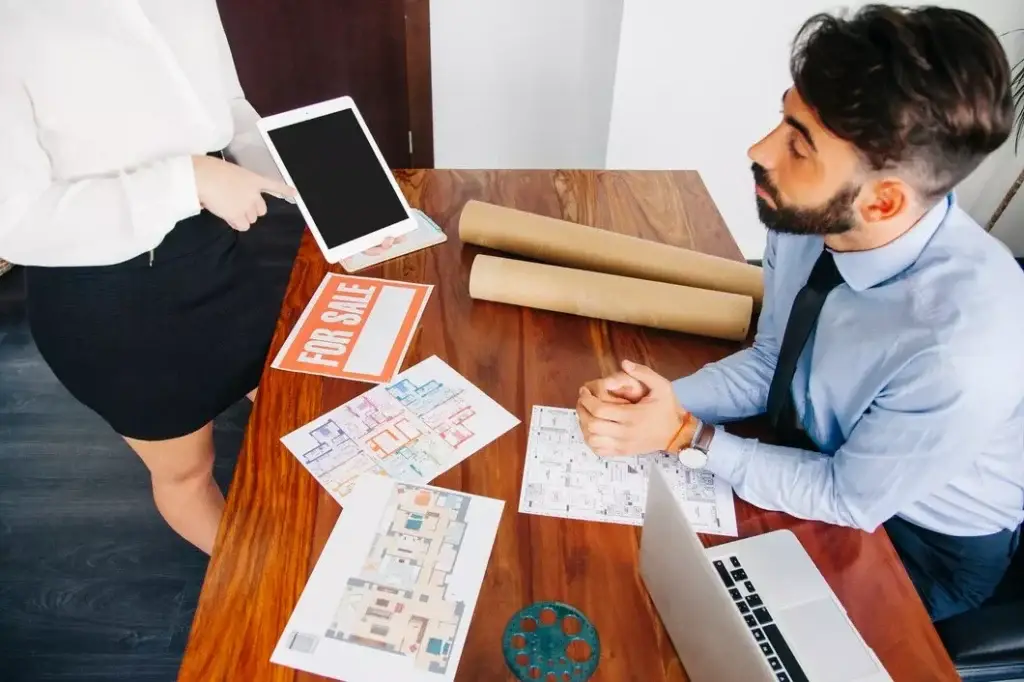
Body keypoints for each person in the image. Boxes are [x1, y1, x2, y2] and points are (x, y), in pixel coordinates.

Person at [576, 5, 1024, 622]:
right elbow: (773, 360)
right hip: (817, 455)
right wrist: (664, 403)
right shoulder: (811, 219)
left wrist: (687, 436)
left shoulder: (964, 348)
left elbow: (849, 496)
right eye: (783, 118)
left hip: (920, 542)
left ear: (885, 200)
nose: (758, 150)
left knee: (696, 620)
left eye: (799, 145)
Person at [0, 1, 306, 556]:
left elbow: (226, 107)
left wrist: (301, 174)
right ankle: (258, 578)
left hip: (219, 247)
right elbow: (12, 225)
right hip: (109, 297)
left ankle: (309, 530)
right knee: (188, 472)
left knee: (293, 403)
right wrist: (185, 179)